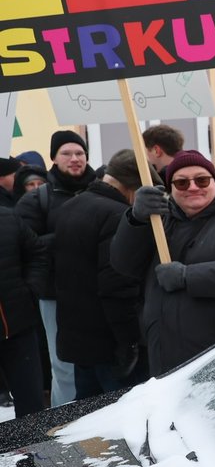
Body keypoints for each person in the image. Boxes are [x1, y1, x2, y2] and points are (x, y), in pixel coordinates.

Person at [111, 150, 215, 377]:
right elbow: (123, 264)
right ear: (171, 189)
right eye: (182, 183)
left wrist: (187, 276)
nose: (193, 187)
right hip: (164, 355)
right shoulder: (159, 224)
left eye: (202, 180)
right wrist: (135, 220)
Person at [54, 150, 155, 399]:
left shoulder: (72, 205)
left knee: (88, 424)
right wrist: (129, 342)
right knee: (122, 422)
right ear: (133, 188)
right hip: (110, 344)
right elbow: (117, 286)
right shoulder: (117, 215)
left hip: (79, 340)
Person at [16, 129, 95, 406]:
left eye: (80, 153)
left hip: (97, 292)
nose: (74, 159)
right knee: (63, 364)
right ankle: (63, 422)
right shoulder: (36, 199)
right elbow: (27, 246)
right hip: (55, 295)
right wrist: (71, 238)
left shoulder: (100, 190)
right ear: (53, 157)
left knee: (98, 361)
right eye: (66, 153)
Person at [0, 203, 46, 418]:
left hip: (18, 325)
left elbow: (37, 254)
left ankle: (33, 451)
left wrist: (30, 290)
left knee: (31, 405)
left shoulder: (8, 217)